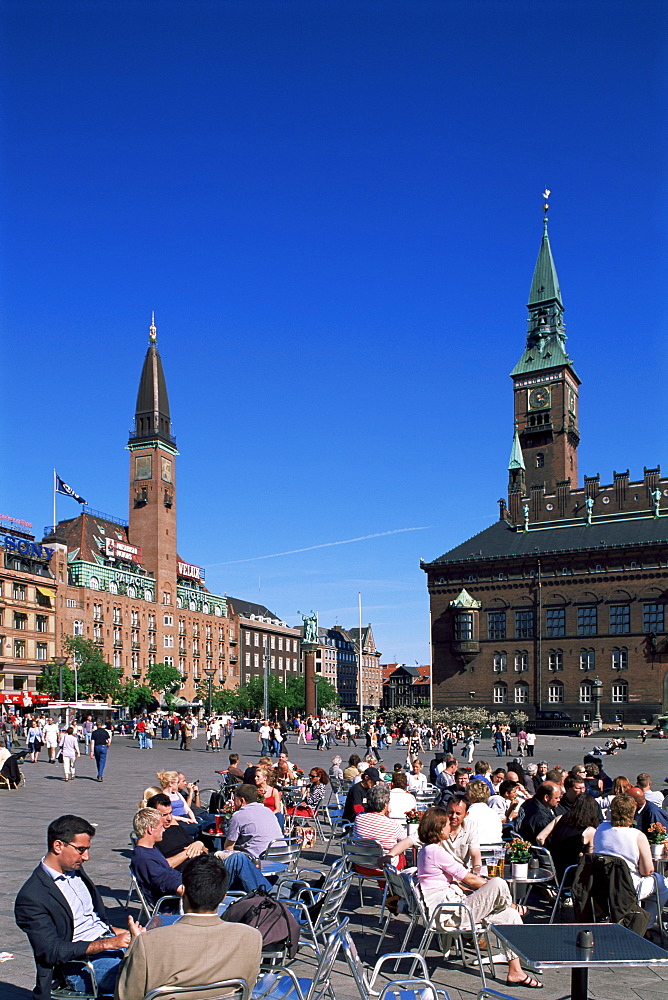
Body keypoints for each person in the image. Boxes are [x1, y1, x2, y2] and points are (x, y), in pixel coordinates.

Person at [416, 807, 542, 989]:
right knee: (499, 883)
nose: (449, 827)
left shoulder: (427, 850)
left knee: (510, 917)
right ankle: (512, 904)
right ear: (438, 828)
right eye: (445, 825)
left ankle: (515, 971)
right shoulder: (435, 851)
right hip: (450, 914)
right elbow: (469, 878)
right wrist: (491, 889)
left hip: (451, 909)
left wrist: (486, 890)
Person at [15, 814, 131, 1000]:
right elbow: (51, 951)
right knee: (146, 976)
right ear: (58, 846)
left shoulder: (74, 870)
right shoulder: (32, 897)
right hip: (81, 966)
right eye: (81, 850)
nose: (86, 857)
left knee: (169, 957)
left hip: (110, 942)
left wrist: (119, 932)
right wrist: (107, 943)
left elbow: (89, 918)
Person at [115, 854, 262, 1000]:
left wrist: (133, 947)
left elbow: (126, 995)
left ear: (183, 892)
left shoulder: (147, 943)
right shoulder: (251, 937)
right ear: (224, 896)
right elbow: (246, 990)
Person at [593, 792, 668, 929]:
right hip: (629, 886)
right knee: (663, 884)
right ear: (632, 813)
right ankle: (647, 924)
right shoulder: (637, 835)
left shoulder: (600, 829)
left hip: (601, 883)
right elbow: (647, 871)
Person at [538, 791, 601, 881]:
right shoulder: (590, 831)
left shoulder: (559, 818)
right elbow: (589, 859)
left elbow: (540, 838)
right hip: (572, 873)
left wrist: (548, 854)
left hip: (553, 870)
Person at [353, 784, 415, 870]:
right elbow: (404, 841)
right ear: (386, 804)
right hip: (385, 868)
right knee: (400, 854)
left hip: (361, 865)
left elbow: (373, 821)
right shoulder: (393, 824)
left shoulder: (359, 817)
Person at [222, 783, 284, 858]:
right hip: (282, 856)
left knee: (218, 855)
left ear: (242, 800)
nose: (234, 803)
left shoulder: (239, 815)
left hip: (259, 860)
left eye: (235, 799)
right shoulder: (267, 811)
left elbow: (228, 848)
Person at [465, 780, 503, 845]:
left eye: (466, 793)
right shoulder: (494, 814)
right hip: (495, 849)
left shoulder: (468, 814)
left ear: (471, 796)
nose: (465, 795)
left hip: (475, 852)